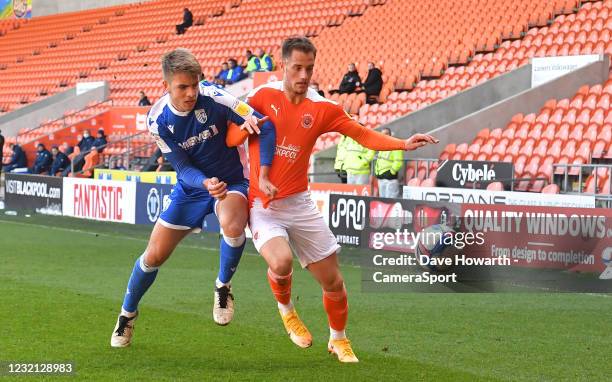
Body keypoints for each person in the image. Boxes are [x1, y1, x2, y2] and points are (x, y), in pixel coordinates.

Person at [226, 36, 438, 363]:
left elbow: (361, 134)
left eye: (309, 68)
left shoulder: (322, 107)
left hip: (299, 203)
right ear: (284, 65)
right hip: (263, 204)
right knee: (281, 262)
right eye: (297, 67)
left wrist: (402, 144)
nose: (303, 75)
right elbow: (230, 137)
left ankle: (338, 339)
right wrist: (246, 126)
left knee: (334, 281)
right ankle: (287, 311)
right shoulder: (261, 96)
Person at [110, 48, 277, 348]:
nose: (190, 93)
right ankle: (126, 315)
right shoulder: (157, 120)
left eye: (194, 84)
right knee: (153, 256)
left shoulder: (216, 97)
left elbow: (263, 125)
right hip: (190, 189)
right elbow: (182, 166)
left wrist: (262, 171)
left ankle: (223, 286)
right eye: (182, 87)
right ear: (167, 86)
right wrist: (203, 181)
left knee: (234, 225)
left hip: (229, 182)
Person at [375, 128, 403, 198]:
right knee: (383, 201)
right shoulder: (382, 146)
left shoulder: (396, 145)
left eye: (385, 134)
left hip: (390, 179)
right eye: (382, 134)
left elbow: (398, 161)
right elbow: (379, 161)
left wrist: (391, 172)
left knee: (391, 201)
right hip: (381, 178)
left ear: (390, 135)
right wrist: (377, 173)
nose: (383, 136)